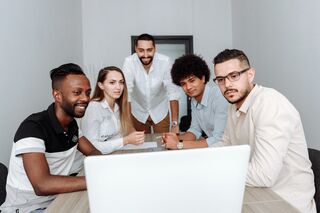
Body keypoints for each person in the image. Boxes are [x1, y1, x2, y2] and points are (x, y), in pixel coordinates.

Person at [213, 49, 315, 212]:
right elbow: (226, 143)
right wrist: (200, 161)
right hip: (256, 194)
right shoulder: (234, 106)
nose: (227, 85)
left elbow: (263, 175)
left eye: (234, 76)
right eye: (220, 79)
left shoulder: (270, 104)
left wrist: (217, 169)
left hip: (286, 203)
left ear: (250, 74)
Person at [0, 63, 101, 213]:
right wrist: (96, 180)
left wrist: (102, 168)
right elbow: (42, 185)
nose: (85, 98)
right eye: (77, 92)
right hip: (28, 208)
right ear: (57, 95)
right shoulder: (33, 127)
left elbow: (93, 152)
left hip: (58, 198)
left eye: (87, 92)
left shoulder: (72, 125)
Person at [162, 54, 228, 149]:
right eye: (183, 84)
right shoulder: (194, 100)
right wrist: (174, 138)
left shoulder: (219, 96)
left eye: (192, 80)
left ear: (203, 78)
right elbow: (195, 131)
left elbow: (218, 139)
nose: (188, 87)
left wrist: (178, 145)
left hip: (229, 151)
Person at [122, 33, 180, 133]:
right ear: (136, 49)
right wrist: (127, 123)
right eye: (141, 50)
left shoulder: (165, 61)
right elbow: (127, 94)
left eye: (149, 50)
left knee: (164, 145)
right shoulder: (129, 62)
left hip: (160, 112)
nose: (145, 55)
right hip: (137, 113)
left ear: (154, 48)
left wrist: (175, 123)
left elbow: (173, 93)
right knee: (141, 147)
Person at [80, 66, 145, 154]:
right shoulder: (93, 108)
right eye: (112, 82)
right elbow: (91, 147)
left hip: (114, 155)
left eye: (121, 82)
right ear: (101, 85)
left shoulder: (118, 106)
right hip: (94, 161)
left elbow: (119, 135)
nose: (118, 87)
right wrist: (125, 140)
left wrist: (136, 137)